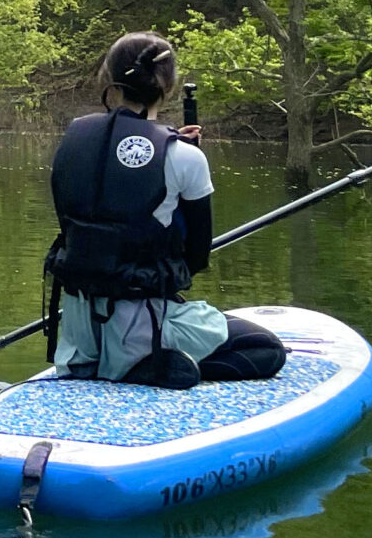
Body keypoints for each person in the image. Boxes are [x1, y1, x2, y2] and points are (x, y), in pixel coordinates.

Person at [44, 32, 286, 388]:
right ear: (167, 85)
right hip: (141, 328)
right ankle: (147, 366)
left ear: (108, 76)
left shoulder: (73, 139)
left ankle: (100, 360)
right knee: (265, 349)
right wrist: (186, 159)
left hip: (79, 329)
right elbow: (195, 258)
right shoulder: (185, 157)